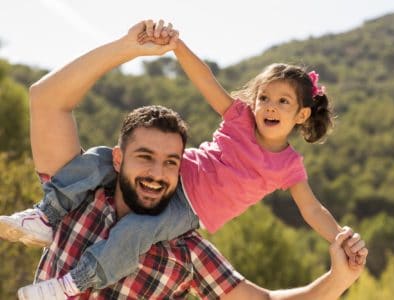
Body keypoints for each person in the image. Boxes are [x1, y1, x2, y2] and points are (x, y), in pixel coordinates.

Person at [0, 19, 367, 297]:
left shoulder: (188, 251)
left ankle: (70, 285)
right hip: (170, 179)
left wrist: (339, 257)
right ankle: (44, 216)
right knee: (94, 159)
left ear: (301, 115)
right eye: (264, 98)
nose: (269, 107)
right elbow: (206, 81)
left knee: (135, 232)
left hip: (188, 209)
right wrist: (168, 46)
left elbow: (311, 211)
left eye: (283, 102)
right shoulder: (85, 199)